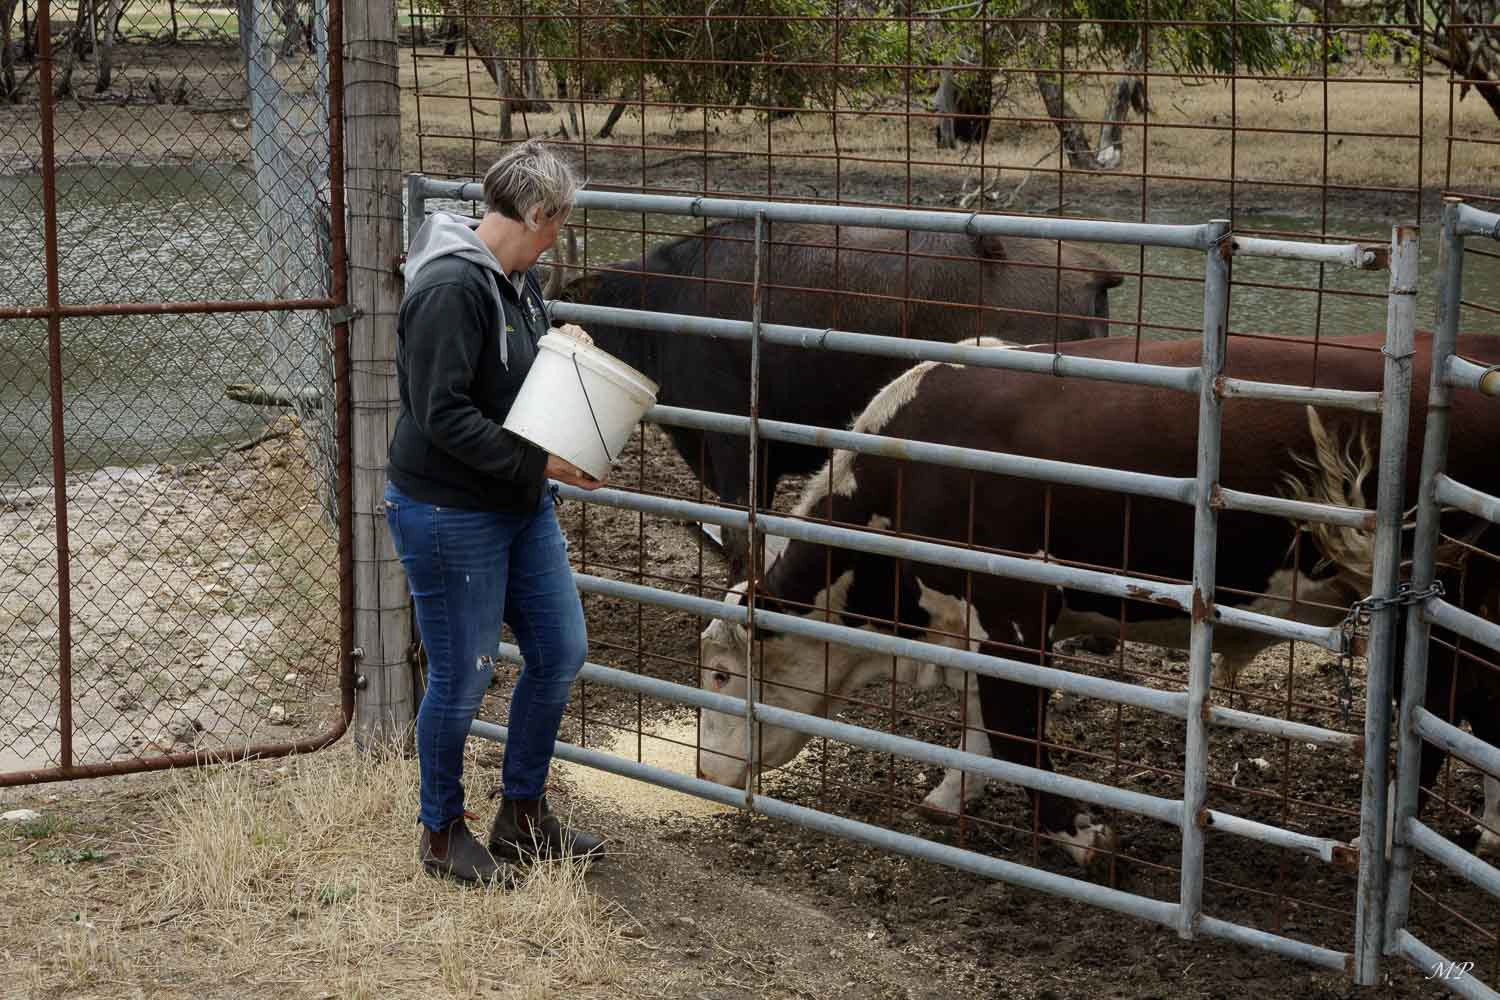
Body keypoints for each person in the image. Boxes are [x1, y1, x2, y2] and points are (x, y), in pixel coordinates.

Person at [384, 139, 606, 885]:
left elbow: (508, 375)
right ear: (538, 212)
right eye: (558, 223)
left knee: (560, 648)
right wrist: (544, 461)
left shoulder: (519, 280)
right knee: (463, 674)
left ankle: (522, 814)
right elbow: (440, 413)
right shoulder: (451, 287)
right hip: (450, 508)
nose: (558, 238)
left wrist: (560, 348)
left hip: (516, 502)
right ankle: (442, 830)